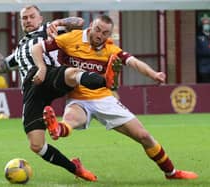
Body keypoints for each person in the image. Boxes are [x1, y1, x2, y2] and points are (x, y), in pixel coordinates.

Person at [32, 14, 199, 180]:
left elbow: (133, 62)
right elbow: (37, 48)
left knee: (144, 136)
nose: (99, 35)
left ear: (109, 35)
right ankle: (57, 129)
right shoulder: (71, 38)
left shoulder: (111, 49)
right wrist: (41, 68)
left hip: (104, 99)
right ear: (91, 26)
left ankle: (171, 172)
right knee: (71, 119)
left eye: (105, 33)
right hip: (78, 98)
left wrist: (154, 74)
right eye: (97, 30)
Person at [0, 5, 116, 182]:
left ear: (40, 19)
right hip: (32, 91)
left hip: (49, 74)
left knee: (71, 73)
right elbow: (1, 66)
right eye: (24, 18)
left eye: (31, 17)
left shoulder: (48, 29)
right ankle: (75, 168)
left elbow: (79, 22)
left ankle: (105, 80)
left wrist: (59, 22)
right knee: (37, 145)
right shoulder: (20, 49)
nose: (28, 20)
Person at [196, 13, 210, 82]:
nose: (206, 23)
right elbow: (197, 51)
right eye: (205, 21)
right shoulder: (198, 35)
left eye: (208, 21)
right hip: (203, 67)